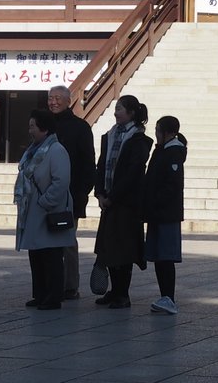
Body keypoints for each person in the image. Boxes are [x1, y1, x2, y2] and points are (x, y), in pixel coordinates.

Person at [93, 94, 152, 309]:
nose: (116, 112)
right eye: (116, 108)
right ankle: (114, 290)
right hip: (109, 201)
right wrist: (100, 193)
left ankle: (123, 294)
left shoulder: (140, 140)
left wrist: (113, 197)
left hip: (126, 203)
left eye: (120, 108)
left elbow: (133, 173)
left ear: (132, 113)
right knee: (109, 247)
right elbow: (101, 166)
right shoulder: (109, 136)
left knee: (124, 249)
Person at [15, 108, 75, 311]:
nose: (29, 129)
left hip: (48, 211)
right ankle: (40, 294)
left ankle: (53, 296)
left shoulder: (56, 150)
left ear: (44, 128)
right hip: (33, 210)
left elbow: (61, 182)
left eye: (33, 126)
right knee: (37, 254)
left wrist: (45, 202)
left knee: (51, 256)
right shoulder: (34, 149)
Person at [46, 84, 95, 300]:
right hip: (44, 195)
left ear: (68, 101)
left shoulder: (80, 127)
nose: (53, 102)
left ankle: (70, 286)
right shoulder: (44, 125)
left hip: (70, 194)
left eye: (58, 98)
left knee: (67, 240)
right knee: (46, 241)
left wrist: (83, 192)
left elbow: (88, 163)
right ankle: (50, 284)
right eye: (50, 98)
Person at [143, 115, 187, 315]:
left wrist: (154, 200)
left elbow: (171, 185)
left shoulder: (173, 152)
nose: (156, 134)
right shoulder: (162, 150)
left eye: (158, 130)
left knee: (166, 257)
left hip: (166, 213)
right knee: (159, 257)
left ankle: (169, 296)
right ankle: (165, 296)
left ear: (168, 132)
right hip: (157, 212)